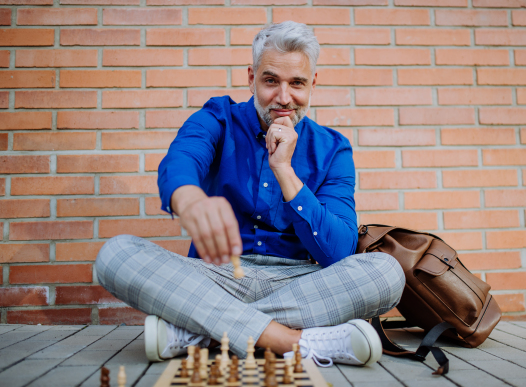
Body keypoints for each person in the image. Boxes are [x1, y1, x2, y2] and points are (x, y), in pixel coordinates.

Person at [96, 21, 405, 367]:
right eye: (271, 80)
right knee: (117, 254)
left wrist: (285, 172)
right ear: (251, 77)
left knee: (386, 272)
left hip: (301, 283)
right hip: (218, 278)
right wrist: (190, 199)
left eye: (297, 83)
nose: (284, 98)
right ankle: (292, 340)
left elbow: (339, 251)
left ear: (313, 84)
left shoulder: (333, 149)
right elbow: (182, 157)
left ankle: (202, 333)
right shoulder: (219, 117)